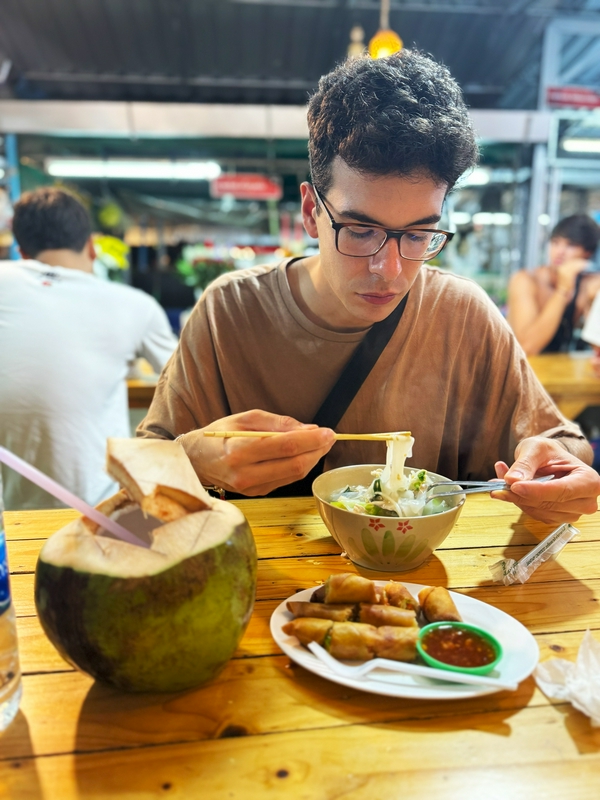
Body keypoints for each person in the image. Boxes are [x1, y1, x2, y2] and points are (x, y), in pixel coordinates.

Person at [139, 50, 600, 525]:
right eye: (360, 231)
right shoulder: (229, 312)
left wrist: (556, 471)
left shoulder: (462, 315)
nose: (390, 269)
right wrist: (193, 464)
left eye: (419, 235)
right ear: (311, 212)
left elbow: (563, 445)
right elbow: (139, 473)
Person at [0, 187, 177, 509]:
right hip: (104, 514)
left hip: (9, 522)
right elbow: (192, 383)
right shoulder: (135, 305)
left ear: (22, 251)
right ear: (92, 247)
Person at [507, 214, 600, 355]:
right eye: (555, 242)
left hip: (557, 372)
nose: (559, 252)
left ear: (588, 253)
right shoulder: (525, 280)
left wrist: (593, 301)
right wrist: (562, 290)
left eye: (571, 245)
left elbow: (596, 346)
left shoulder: (587, 286)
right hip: (518, 371)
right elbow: (528, 347)